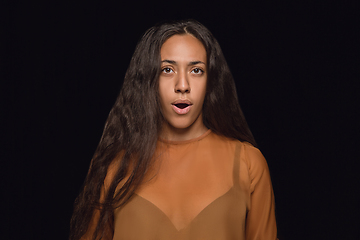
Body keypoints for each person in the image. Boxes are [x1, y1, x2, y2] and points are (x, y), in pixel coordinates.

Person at [70, 19, 278, 240]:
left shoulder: (248, 164)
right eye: (167, 70)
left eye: (196, 70)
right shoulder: (115, 165)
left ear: (211, 80)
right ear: (149, 79)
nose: (182, 85)